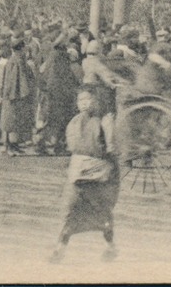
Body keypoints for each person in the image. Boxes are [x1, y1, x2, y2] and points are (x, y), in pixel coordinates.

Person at [50, 88, 119, 263]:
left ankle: (110, 247)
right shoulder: (74, 122)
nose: (85, 103)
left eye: (88, 99)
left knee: (102, 212)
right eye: (81, 100)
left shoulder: (105, 120)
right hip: (77, 173)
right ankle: (60, 248)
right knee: (69, 210)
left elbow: (111, 148)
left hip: (99, 173)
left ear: (96, 101)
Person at [0, 37, 38, 157]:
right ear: (21, 49)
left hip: (12, 95)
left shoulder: (13, 59)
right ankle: (11, 147)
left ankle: (10, 146)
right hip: (15, 96)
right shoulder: (17, 61)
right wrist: (27, 93)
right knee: (13, 122)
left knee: (11, 122)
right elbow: (18, 80)